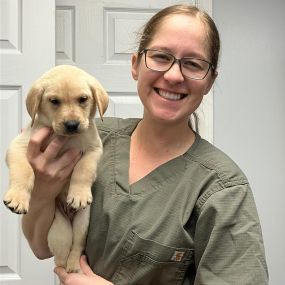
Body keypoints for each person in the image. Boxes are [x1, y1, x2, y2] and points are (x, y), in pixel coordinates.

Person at [22, 4, 268, 285]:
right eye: (161, 57)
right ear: (135, 65)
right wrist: (41, 190)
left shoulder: (223, 189)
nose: (174, 76)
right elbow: (41, 247)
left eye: (193, 64)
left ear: (210, 81)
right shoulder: (89, 140)